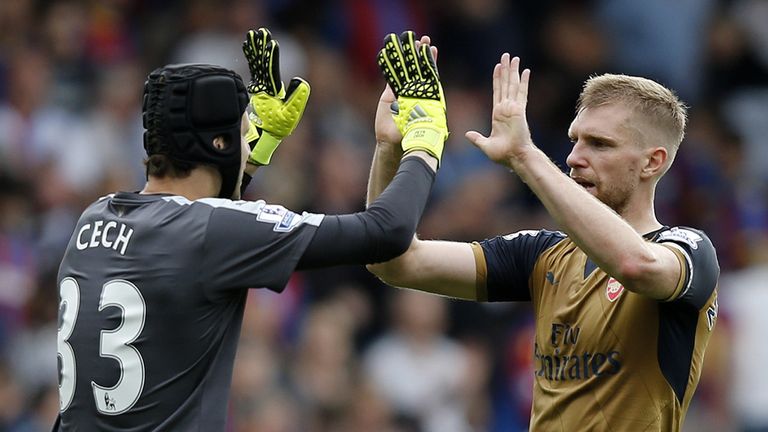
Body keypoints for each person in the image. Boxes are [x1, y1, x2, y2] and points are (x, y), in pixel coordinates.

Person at [53, 28, 446, 430]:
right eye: (244, 134)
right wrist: (424, 137)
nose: (249, 143)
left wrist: (251, 156)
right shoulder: (210, 231)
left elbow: (188, 232)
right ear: (220, 146)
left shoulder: (96, 216)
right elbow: (387, 231)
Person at [368, 40, 720, 430]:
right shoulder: (541, 254)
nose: (573, 157)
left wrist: (524, 155)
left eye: (599, 144)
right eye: (575, 140)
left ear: (653, 162)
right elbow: (394, 261)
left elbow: (634, 264)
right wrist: (390, 148)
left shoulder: (689, 250)